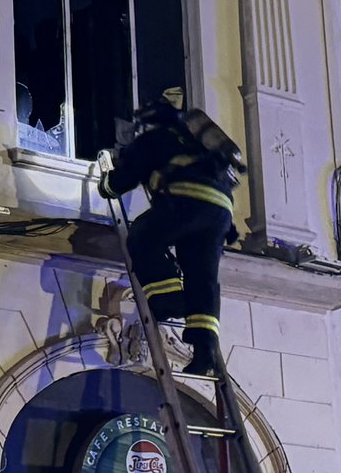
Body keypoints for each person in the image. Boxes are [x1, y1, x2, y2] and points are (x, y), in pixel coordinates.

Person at [98, 95, 241, 376]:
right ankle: (204, 352)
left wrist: (107, 184)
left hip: (186, 199)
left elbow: (122, 181)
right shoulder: (201, 147)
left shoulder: (157, 139)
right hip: (221, 213)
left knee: (142, 237)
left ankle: (167, 298)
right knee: (202, 278)